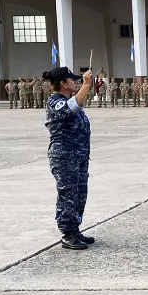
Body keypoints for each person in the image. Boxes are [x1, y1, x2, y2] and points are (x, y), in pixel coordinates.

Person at [43, 66, 95, 250]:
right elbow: (68, 109)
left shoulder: (69, 99)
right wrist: (87, 86)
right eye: (72, 80)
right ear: (63, 83)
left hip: (78, 156)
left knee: (80, 194)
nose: (76, 82)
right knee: (68, 194)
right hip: (64, 157)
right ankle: (67, 233)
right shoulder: (55, 101)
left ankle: (74, 229)